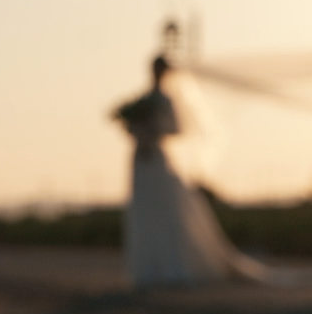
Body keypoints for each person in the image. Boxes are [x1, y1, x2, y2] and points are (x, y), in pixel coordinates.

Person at [115, 53, 268, 287]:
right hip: (141, 160)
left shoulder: (164, 100)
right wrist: (136, 129)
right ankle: (150, 268)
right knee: (145, 209)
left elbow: (176, 129)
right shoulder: (143, 100)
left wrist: (152, 130)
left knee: (167, 210)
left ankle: (174, 265)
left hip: (156, 157)